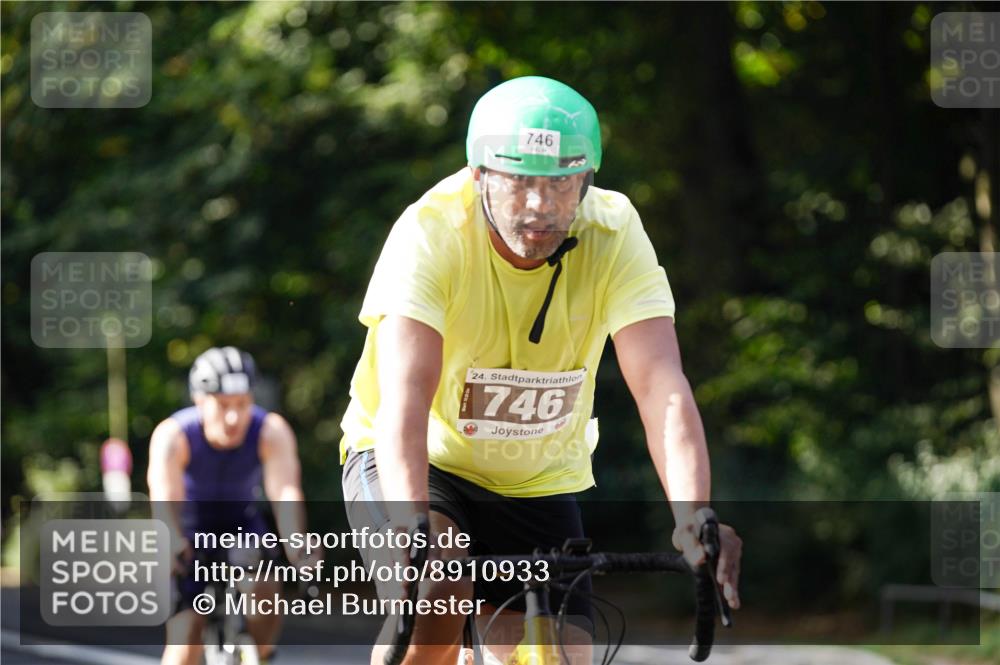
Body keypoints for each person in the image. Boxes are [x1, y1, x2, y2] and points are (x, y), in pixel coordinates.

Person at [339, 76, 743, 665]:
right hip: (423, 460)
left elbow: (661, 386)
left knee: (563, 656)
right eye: (520, 182)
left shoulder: (614, 231)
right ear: (480, 175)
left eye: (560, 184)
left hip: (536, 475)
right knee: (438, 595)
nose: (540, 207)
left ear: (586, 180)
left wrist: (693, 515)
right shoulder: (431, 232)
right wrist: (411, 527)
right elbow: (405, 397)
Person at [148, 346, 312, 665]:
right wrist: (172, 541)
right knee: (185, 643)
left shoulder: (271, 430)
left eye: (243, 404)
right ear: (199, 400)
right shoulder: (173, 435)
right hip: (189, 531)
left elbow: (286, 492)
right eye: (222, 405)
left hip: (242, 524)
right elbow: (164, 497)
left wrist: (297, 545)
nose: (234, 417)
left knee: (264, 583)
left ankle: (259, 655)